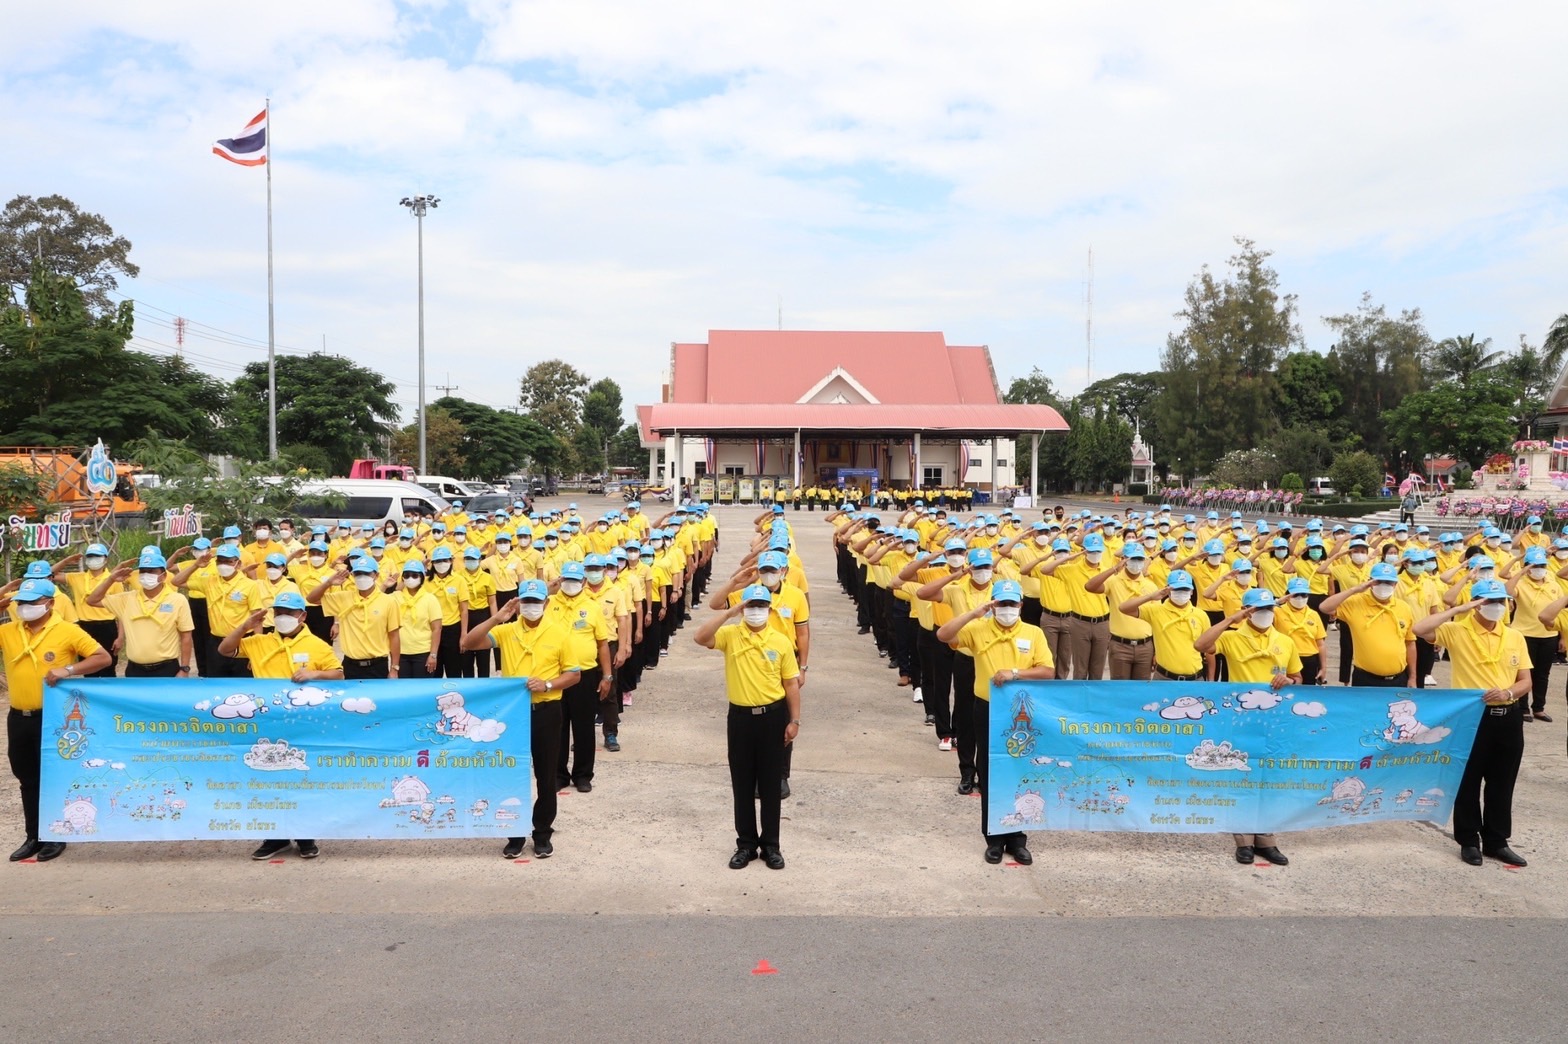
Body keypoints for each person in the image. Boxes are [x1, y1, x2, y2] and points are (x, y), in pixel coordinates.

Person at [935, 579, 1054, 865]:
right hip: (988, 707)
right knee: (989, 773)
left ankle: (1017, 837)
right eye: (1002, 603)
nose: (1007, 609)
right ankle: (994, 837)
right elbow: (943, 635)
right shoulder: (979, 629)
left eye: (1012, 604)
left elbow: (1048, 671)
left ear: (1021, 606)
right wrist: (974, 614)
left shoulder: (1033, 632)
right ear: (993, 605)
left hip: (1021, 711)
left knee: (1019, 772)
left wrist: (1015, 673)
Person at [219, 592, 344, 860]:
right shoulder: (259, 641)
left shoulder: (317, 644)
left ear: (302, 616)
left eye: (288, 612)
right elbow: (225, 649)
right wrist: (244, 625)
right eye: (278, 612)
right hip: (267, 724)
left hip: (302, 723)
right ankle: (275, 837)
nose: (282, 617)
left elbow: (339, 674)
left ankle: (305, 835)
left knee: (301, 777)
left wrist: (315, 674)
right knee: (268, 777)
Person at [1416, 579, 1530, 867]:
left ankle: (1497, 841)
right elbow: (1420, 629)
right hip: (1471, 718)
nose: (1496, 607)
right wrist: (1462, 608)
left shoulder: (1514, 636)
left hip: (1508, 717)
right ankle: (1469, 840)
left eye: (1501, 601)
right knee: (1468, 781)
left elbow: (1525, 680)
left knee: (1502, 783)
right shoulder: (1457, 630)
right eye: (1489, 602)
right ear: (1476, 603)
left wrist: (1508, 692)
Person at [463, 581, 576, 859]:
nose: (532, 607)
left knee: (546, 775)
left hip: (547, 712)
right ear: (518, 604)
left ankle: (542, 833)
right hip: (513, 715)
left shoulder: (560, 634)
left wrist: (548, 685)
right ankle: (514, 833)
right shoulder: (506, 631)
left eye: (537, 601)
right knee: (512, 775)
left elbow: (574, 674)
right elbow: (468, 643)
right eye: (526, 601)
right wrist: (496, 618)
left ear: (546, 604)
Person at [2, 578, 111, 862]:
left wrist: (69, 668)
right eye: (21, 603)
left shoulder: (67, 631)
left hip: (53, 720)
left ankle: (56, 835)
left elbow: (103, 658)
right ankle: (33, 836)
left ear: (49, 603)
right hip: (19, 716)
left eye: (33, 603)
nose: (25, 608)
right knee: (26, 778)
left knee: (54, 777)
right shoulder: (9, 631)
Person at [694, 583, 801, 870]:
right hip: (740, 718)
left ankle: (771, 846)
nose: (756, 611)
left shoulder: (780, 641)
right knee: (742, 784)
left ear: (769, 609)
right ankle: (746, 845)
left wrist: (794, 720)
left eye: (761, 606)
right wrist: (730, 613)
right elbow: (700, 637)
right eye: (750, 606)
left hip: (773, 717)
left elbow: (791, 683)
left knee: (770, 785)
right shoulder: (731, 635)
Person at [1195, 588, 1301, 866]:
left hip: (1274, 721)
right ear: (1247, 611)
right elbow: (1200, 645)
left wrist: (1289, 681)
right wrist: (1233, 618)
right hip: (1240, 720)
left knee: (1270, 780)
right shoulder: (1231, 638)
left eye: (1269, 608)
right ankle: (1243, 839)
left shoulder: (1284, 640)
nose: (1265, 614)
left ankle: (1267, 839)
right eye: (1258, 609)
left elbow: (1297, 676)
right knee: (1241, 778)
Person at [548, 560, 613, 793]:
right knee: (558, 725)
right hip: (556, 673)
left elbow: (602, 644)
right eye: (566, 580)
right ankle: (559, 774)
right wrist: (551, 586)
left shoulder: (592, 607)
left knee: (584, 726)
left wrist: (607, 676)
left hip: (584, 674)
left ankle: (583, 775)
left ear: (583, 581)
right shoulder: (550, 603)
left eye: (575, 580)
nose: (571, 584)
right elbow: (523, 602)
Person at [86, 546, 195, 678]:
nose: (145, 575)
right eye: (142, 571)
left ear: (163, 575)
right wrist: (111, 579)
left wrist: (184, 668)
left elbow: (186, 636)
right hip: (134, 670)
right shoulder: (126, 599)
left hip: (167, 669)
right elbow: (92, 600)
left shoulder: (178, 600)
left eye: (151, 571)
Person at [1318, 562, 1416, 687]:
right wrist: (1355, 589)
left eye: (1388, 582)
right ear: (1370, 582)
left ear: (1395, 584)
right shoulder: (1356, 603)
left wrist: (1412, 677)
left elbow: (1410, 643)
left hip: (1398, 679)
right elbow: (1325, 607)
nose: (1383, 585)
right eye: (1378, 582)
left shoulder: (1404, 608)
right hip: (1365, 679)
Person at [306, 557, 401, 679]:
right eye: (358, 573)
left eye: (366, 573)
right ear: (352, 575)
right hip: (350, 665)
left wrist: (394, 668)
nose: (362, 577)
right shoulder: (343, 598)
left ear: (376, 575)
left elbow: (394, 636)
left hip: (377, 665)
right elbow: (311, 599)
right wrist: (328, 583)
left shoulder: (389, 601)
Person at [1117, 569, 1206, 682]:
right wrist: (1150, 597)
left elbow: (1208, 648)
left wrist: (1211, 678)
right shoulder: (1155, 611)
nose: (1181, 592)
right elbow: (1123, 608)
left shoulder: (1201, 615)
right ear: (1167, 590)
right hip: (1164, 678)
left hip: (1195, 679)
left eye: (1185, 589)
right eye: (1176, 589)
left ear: (1192, 591)